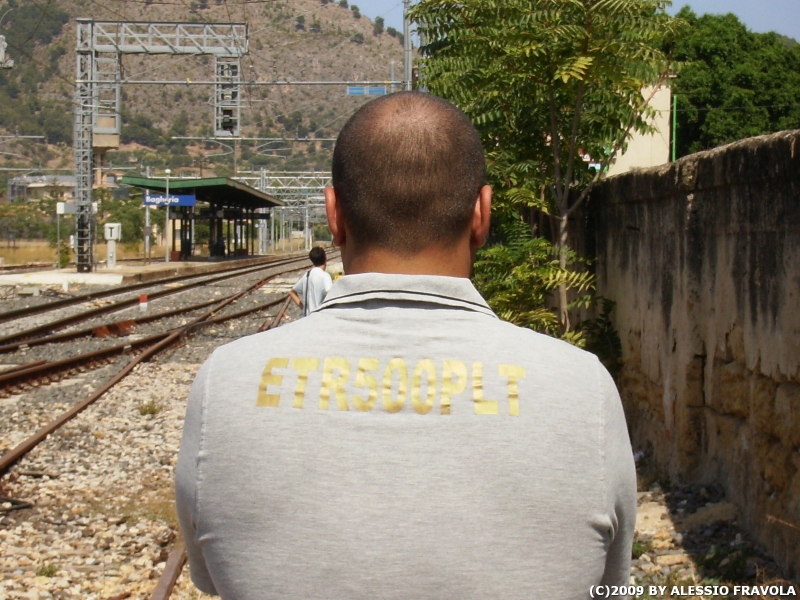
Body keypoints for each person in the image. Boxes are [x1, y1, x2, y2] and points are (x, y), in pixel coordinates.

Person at [176, 91, 637, 600]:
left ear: (334, 214)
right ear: (482, 213)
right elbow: (610, 585)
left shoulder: (227, 381)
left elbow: (211, 578)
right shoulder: (582, 387)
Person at [288, 246, 333, 317]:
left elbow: (291, 292)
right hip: (319, 319)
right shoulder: (325, 276)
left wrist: (303, 308)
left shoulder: (307, 275)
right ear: (325, 258)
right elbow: (330, 296)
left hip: (306, 318)